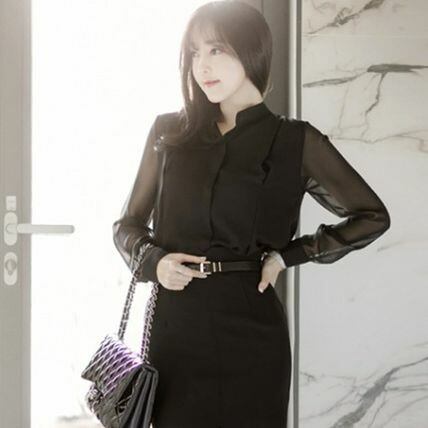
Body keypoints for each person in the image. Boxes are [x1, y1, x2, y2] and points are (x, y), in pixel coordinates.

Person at [112, 2, 391, 427]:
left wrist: (288, 256)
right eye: (194, 53)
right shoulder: (169, 132)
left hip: (253, 338)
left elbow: (371, 215)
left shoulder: (295, 141)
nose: (202, 66)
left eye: (216, 49)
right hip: (177, 335)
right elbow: (127, 226)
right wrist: (155, 262)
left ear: (251, 52)